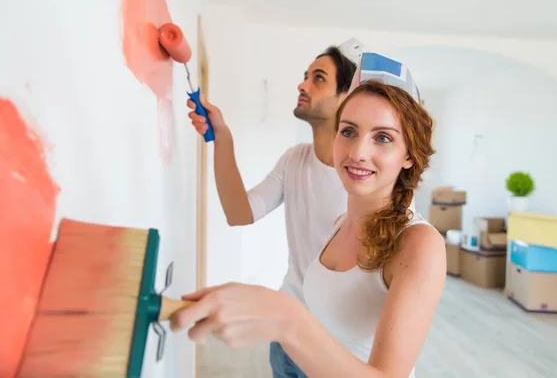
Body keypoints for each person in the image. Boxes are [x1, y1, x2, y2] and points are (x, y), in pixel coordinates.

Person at [173, 78, 447, 378]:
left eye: (382, 138)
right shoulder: (341, 222)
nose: (357, 152)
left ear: (408, 156)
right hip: (298, 358)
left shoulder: (420, 243)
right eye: (348, 132)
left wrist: (287, 320)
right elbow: (240, 211)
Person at [187, 43, 359, 375]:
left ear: (346, 98)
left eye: (318, 78)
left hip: (336, 346)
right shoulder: (294, 159)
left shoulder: (363, 175)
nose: (302, 85)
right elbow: (240, 212)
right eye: (304, 76)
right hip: (285, 338)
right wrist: (222, 137)